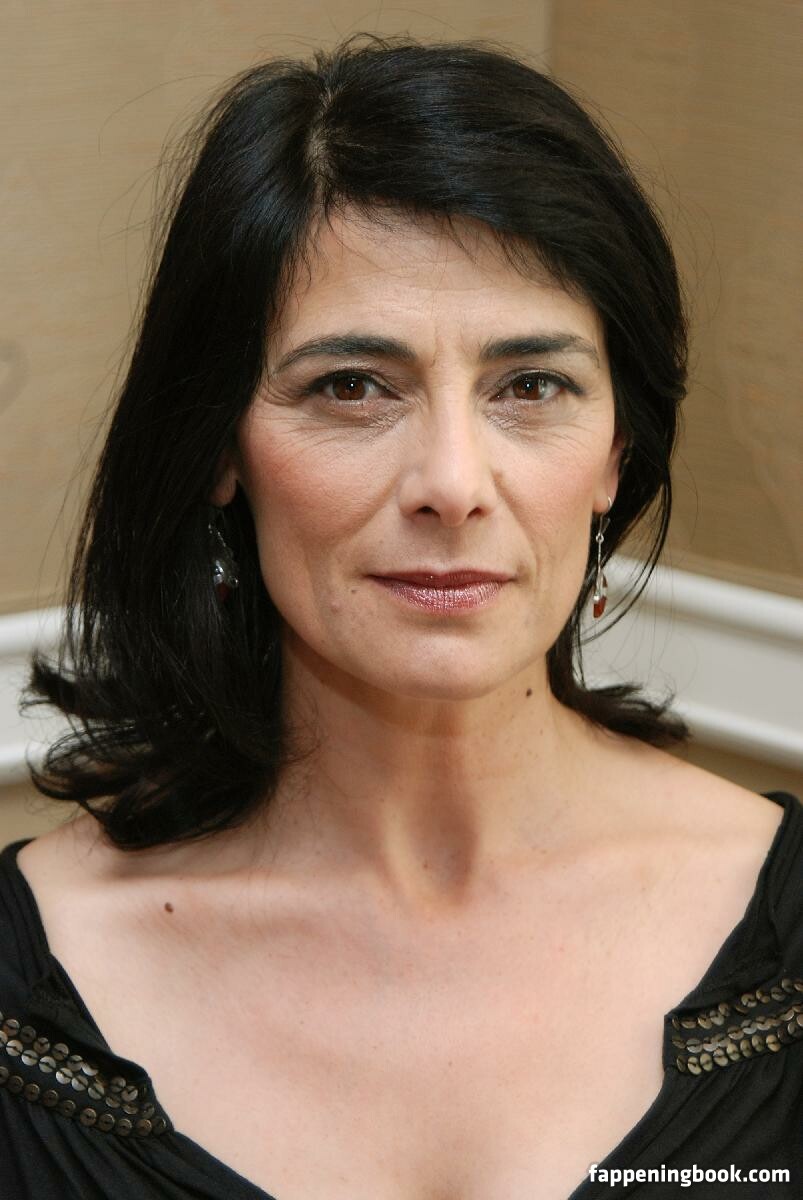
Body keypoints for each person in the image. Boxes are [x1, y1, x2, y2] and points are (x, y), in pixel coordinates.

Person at [0, 33, 799, 1200]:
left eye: (530, 386)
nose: (452, 483)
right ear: (220, 449)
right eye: (351, 387)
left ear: (614, 452)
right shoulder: (27, 983)